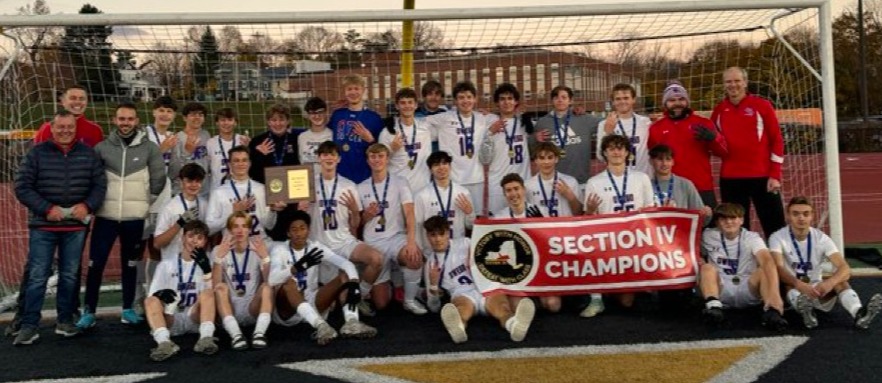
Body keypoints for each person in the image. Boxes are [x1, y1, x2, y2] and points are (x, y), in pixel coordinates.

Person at [7, 85, 105, 338]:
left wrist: (87, 205)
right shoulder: (38, 151)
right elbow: (23, 185)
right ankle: (28, 323)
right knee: (38, 274)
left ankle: (66, 319)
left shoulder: (91, 145)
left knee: (70, 274)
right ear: (52, 128)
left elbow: (99, 183)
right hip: (44, 224)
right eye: (61, 127)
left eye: (70, 128)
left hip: (75, 225)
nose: (65, 131)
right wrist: (46, 208)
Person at [78, 103, 167, 329]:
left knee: (130, 265)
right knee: (95, 264)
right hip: (105, 218)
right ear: (114, 121)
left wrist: (144, 204)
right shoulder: (101, 148)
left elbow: (158, 179)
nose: (125, 123)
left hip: (134, 220)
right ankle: (89, 311)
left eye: (130, 119)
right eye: (121, 119)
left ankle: (127, 309)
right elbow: (93, 180)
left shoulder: (150, 149)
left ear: (137, 121)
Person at [769, 196, 881, 329]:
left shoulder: (822, 238)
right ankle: (806, 310)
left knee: (840, 281)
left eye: (806, 214)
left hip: (817, 290)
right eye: (796, 214)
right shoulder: (777, 237)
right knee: (788, 283)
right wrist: (799, 285)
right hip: (792, 289)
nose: (801, 218)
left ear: (812, 216)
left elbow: (844, 268)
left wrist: (829, 283)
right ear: (788, 216)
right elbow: (778, 268)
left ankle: (859, 313)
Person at [423, 216, 536, 344]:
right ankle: (458, 329)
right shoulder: (430, 264)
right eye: (433, 235)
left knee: (502, 308)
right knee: (460, 311)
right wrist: (433, 284)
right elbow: (433, 307)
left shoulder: (465, 243)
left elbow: (490, 255)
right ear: (427, 237)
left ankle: (514, 326)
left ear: (448, 233)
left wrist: (476, 259)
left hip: (485, 286)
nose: (437, 239)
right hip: (462, 293)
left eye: (441, 234)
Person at [268, 211, 376, 342]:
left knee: (343, 276)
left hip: (312, 301)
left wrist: (354, 283)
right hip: (288, 310)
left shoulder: (315, 247)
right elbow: (272, 279)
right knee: (289, 283)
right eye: (294, 229)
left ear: (308, 230)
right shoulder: (279, 250)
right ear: (288, 233)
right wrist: (294, 269)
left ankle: (352, 322)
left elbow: (345, 263)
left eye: (302, 228)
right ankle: (321, 326)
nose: (298, 233)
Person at [308, 141, 384, 316]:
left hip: (343, 241)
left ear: (339, 159)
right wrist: (301, 207)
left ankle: (360, 295)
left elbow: (355, 224)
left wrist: (353, 210)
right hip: (319, 245)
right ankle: (341, 296)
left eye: (332, 154)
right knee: (330, 304)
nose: (329, 158)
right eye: (325, 154)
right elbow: (299, 220)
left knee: (377, 259)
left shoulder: (348, 185)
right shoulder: (308, 184)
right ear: (318, 158)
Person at [582, 134, 654, 318]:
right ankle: (596, 298)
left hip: (634, 241)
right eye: (611, 148)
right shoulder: (594, 182)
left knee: (626, 302)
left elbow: (650, 212)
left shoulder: (641, 178)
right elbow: (588, 221)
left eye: (620, 148)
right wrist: (589, 210)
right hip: (607, 241)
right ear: (604, 152)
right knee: (590, 251)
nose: (616, 152)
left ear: (627, 152)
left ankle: (625, 287)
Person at [712, 67, 786, 237]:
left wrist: (775, 174)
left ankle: (781, 262)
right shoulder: (719, 111)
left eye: (737, 81)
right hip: (731, 179)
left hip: (763, 177)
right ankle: (744, 263)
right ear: (724, 85)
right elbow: (718, 149)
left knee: (775, 227)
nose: (733, 85)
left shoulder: (762, 106)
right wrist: (712, 140)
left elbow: (777, 140)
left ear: (745, 82)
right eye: (728, 82)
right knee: (737, 231)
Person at [357, 144, 425, 315]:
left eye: (380, 156)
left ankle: (409, 300)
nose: (377, 160)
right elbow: (358, 222)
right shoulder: (361, 187)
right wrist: (367, 215)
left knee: (414, 257)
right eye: (373, 156)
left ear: (387, 159)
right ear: (367, 161)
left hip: (396, 237)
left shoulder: (400, 182)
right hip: (373, 242)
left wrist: (411, 242)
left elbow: (409, 213)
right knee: (381, 304)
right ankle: (371, 293)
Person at [699, 203, 788, 330]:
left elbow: (767, 261)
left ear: (741, 220)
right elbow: (688, 246)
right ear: (718, 222)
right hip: (721, 288)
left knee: (764, 269)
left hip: (748, 286)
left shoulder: (752, 238)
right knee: (706, 268)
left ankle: (772, 311)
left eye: (733, 218)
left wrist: (775, 293)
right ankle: (714, 309)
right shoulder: (708, 235)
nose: (729, 222)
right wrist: (699, 257)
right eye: (723, 219)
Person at [145, 220, 218, 361]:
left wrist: (208, 272)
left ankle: (206, 338)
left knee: (209, 293)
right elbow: (152, 297)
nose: (194, 241)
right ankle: (164, 343)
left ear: (205, 241)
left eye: (199, 238)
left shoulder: (209, 261)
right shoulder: (166, 264)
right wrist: (162, 297)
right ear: (183, 237)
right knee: (150, 301)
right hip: (172, 316)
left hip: (195, 317)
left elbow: (213, 297)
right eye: (191, 236)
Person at [648, 81, 727, 209]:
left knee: (707, 227)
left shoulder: (703, 123)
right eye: (672, 100)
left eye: (681, 99)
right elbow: (653, 159)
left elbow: (723, 152)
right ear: (665, 104)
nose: (677, 103)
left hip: (702, 187)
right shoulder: (656, 128)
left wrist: (714, 139)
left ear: (687, 102)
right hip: (672, 189)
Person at [425, 81, 492, 215]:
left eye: (469, 97)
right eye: (461, 98)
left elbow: (504, 119)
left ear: (475, 99)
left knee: (476, 219)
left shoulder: (483, 118)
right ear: (455, 101)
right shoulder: (444, 118)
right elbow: (417, 122)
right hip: (453, 179)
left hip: (476, 179)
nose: (465, 101)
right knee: (454, 218)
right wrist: (392, 121)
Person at [212, 212, 274, 350]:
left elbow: (269, 281)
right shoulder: (219, 249)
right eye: (235, 226)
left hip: (252, 306)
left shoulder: (258, 248)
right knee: (221, 287)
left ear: (249, 230)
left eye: (244, 226)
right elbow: (215, 285)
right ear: (229, 230)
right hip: (230, 307)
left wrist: (265, 258)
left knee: (266, 287)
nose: (240, 230)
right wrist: (218, 259)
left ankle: (259, 333)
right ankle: (236, 335)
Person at [142, 96, 179, 312]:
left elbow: (173, 172)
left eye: (169, 111)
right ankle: (141, 298)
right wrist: (162, 150)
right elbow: (140, 163)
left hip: (164, 199)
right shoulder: (144, 134)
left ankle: (155, 294)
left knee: (157, 249)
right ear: (154, 112)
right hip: (142, 199)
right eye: (161, 110)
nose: (165, 115)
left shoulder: (172, 137)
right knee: (139, 250)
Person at [205, 146, 283, 245]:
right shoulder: (219, 193)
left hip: (260, 244)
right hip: (232, 246)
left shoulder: (262, 189)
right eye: (236, 161)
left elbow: (269, 225)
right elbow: (209, 228)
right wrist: (232, 212)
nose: (240, 164)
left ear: (249, 163)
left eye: (244, 160)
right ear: (229, 164)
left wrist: (272, 210)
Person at [533, 85, 602, 185]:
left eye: (564, 97)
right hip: (553, 182)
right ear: (552, 101)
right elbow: (533, 150)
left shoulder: (584, 118)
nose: (560, 100)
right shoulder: (542, 123)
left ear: (571, 101)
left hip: (581, 181)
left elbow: (608, 123)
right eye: (556, 97)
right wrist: (534, 138)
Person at [328, 74, 385, 184]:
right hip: (339, 176)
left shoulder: (374, 118)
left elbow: (382, 148)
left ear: (363, 90)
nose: (353, 92)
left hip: (365, 176)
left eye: (356, 88)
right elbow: (325, 134)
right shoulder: (337, 114)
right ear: (344, 91)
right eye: (349, 89)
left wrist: (370, 140)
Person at [485, 83, 532, 214]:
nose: (507, 102)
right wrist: (489, 133)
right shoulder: (490, 122)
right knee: (499, 224)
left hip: (522, 182)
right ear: (497, 103)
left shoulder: (525, 123)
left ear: (516, 101)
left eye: (510, 98)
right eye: (502, 99)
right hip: (497, 183)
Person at [413, 151, 476, 249]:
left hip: (457, 249)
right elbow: (417, 227)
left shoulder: (463, 193)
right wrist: (420, 250)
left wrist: (470, 213)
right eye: (436, 164)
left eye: (444, 163)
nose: (441, 167)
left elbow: (471, 226)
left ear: (450, 166)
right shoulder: (421, 196)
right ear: (430, 169)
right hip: (431, 251)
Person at [379, 88, 433, 193]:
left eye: (410, 102)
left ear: (416, 105)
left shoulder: (426, 128)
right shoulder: (387, 133)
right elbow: (379, 163)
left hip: (422, 188)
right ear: (397, 106)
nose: (407, 106)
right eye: (403, 103)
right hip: (398, 190)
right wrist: (391, 149)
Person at [153, 164, 208, 261]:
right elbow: (157, 243)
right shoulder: (169, 207)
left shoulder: (205, 205)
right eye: (189, 181)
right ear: (181, 182)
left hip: (197, 264)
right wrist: (179, 223)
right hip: (173, 264)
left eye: (198, 181)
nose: (194, 185)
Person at [596, 83, 653, 176]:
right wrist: (607, 133)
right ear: (613, 102)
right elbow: (600, 156)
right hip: (619, 179)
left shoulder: (646, 122)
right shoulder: (604, 124)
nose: (622, 102)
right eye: (618, 99)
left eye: (626, 98)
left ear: (633, 100)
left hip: (644, 178)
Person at [648, 144, 713, 220]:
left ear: (673, 162)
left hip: (681, 230)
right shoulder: (646, 185)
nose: (664, 163)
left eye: (668, 159)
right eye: (660, 159)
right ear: (651, 161)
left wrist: (707, 214)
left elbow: (702, 219)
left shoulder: (685, 184)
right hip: (654, 230)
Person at [33, 85, 103, 147]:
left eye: (82, 99)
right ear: (63, 102)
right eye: (73, 98)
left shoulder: (95, 130)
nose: (77, 102)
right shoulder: (47, 128)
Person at [526, 142, 582, 217]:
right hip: (540, 228)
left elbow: (579, 214)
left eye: (550, 157)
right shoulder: (528, 185)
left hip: (565, 227)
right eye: (542, 158)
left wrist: (570, 196)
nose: (546, 162)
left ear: (556, 159)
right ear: (536, 160)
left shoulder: (571, 182)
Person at [249, 104, 300, 184]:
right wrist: (259, 155)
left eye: (282, 119)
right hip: (265, 187)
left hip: (291, 186)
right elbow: (250, 171)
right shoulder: (257, 141)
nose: (278, 124)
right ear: (268, 122)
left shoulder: (296, 140)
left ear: (288, 121)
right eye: (274, 120)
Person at [168, 102, 211, 197]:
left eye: (200, 114)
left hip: (203, 191)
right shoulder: (177, 139)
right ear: (184, 118)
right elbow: (173, 171)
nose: (197, 117)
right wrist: (187, 152)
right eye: (193, 114)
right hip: (183, 192)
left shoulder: (206, 135)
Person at [207, 108, 249, 188]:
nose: (226, 123)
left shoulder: (243, 141)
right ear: (217, 123)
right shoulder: (210, 143)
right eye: (222, 120)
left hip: (240, 188)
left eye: (230, 120)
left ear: (235, 122)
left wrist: (248, 148)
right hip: (217, 189)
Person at [297, 97, 332, 173]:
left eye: (320, 112)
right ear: (308, 115)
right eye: (313, 113)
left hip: (327, 180)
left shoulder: (332, 135)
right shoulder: (302, 137)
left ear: (326, 112)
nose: (317, 116)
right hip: (308, 180)